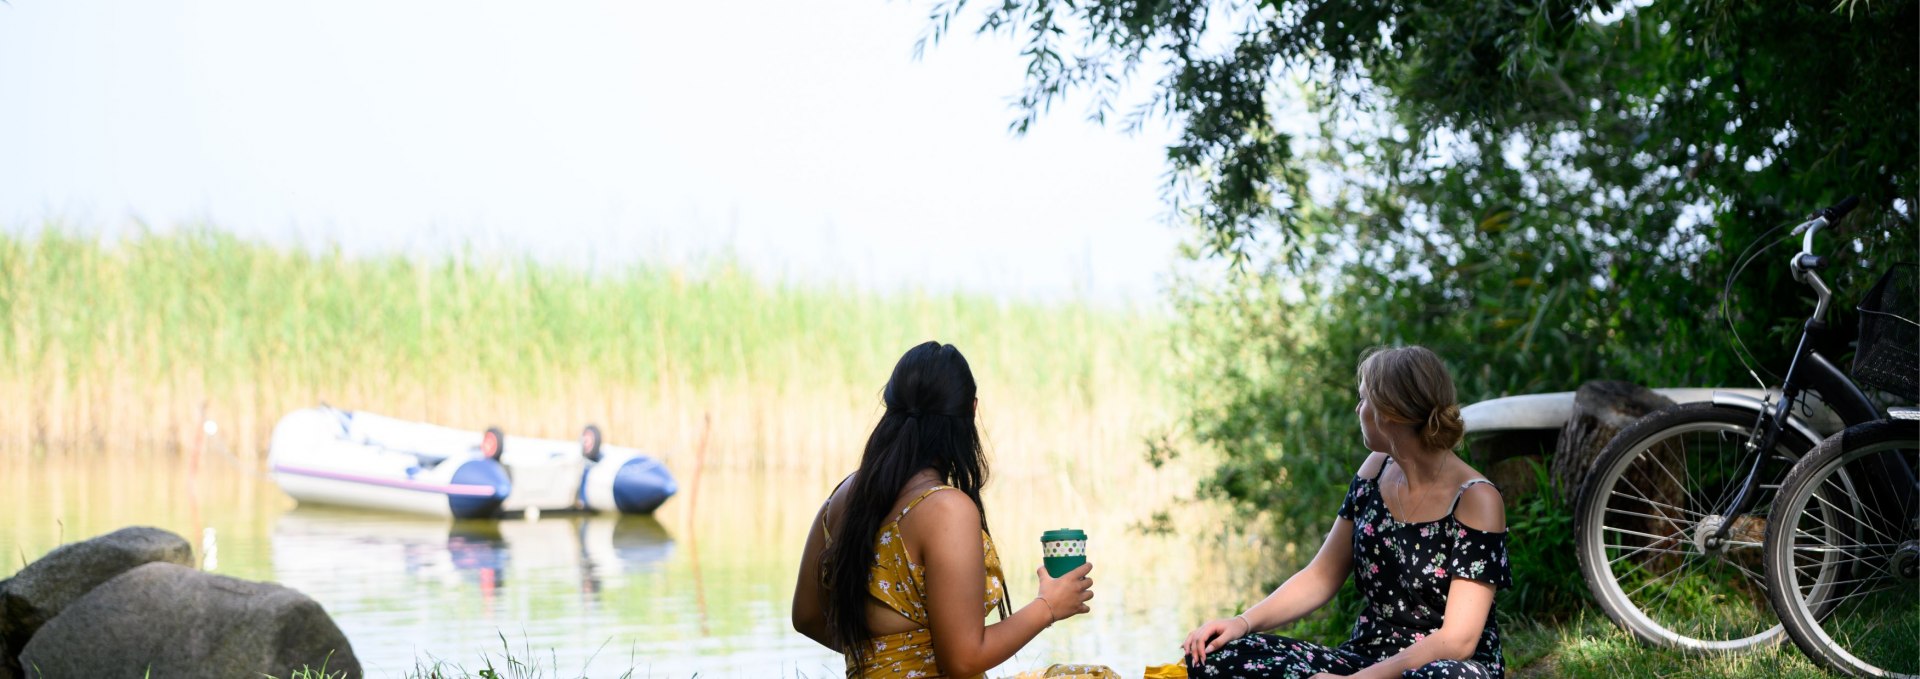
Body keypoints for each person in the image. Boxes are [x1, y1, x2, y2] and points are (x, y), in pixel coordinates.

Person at [1179, 346, 1509, 679]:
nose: (1357, 408)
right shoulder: (1375, 471)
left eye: (1364, 399)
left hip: (1440, 667)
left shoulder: (1476, 499)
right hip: (1364, 658)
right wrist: (1241, 622)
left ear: (1390, 412)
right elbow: (1320, 577)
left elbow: (1458, 640)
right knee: (1215, 657)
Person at [792, 341, 1116, 679]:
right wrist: (1048, 606)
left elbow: (807, 617)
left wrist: (882, 658)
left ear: (890, 404)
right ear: (971, 409)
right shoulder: (946, 509)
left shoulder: (843, 497)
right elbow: (963, 661)